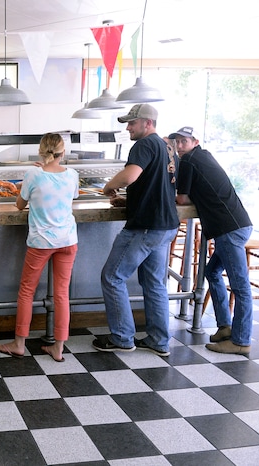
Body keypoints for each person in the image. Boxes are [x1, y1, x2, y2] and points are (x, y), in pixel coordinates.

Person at [93, 104, 179, 357]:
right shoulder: (168, 147)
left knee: (112, 277)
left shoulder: (143, 145)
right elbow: (159, 184)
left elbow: (130, 175)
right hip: (166, 224)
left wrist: (109, 186)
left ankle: (121, 337)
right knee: (154, 283)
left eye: (132, 123)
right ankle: (159, 340)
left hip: (146, 226)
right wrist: (130, 201)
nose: (128, 127)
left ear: (148, 123)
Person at [0, 133, 79, 362]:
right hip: (68, 240)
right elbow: (73, 196)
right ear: (63, 152)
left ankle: (19, 343)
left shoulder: (33, 174)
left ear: (42, 151)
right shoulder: (72, 175)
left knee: (27, 291)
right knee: (62, 294)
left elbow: (19, 205)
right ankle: (58, 348)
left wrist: (26, 183)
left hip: (41, 242)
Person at [171, 126, 254, 354]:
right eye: (176, 141)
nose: (179, 146)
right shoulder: (203, 156)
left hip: (228, 230)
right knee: (212, 272)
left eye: (183, 141)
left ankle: (241, 341)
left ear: (194, 141)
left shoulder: (189, 161)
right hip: (238, 225)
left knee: (241, 288)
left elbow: (181, 198)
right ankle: (225, 327)